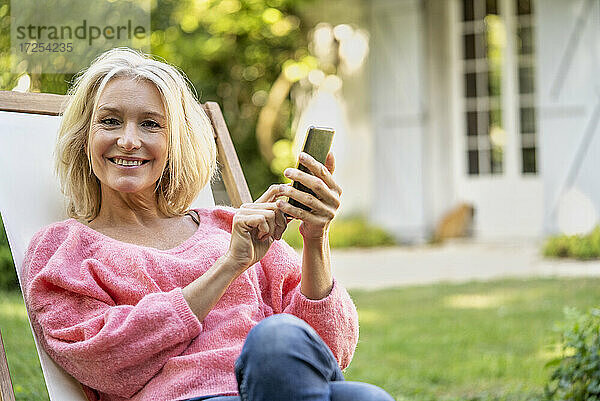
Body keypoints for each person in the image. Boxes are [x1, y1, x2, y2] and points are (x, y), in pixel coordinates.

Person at [21, 48, 395, 401]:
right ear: (85, 136)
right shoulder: (63, 250)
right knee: (279, 342)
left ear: (176, 143)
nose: (129, 140)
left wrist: (315, 238)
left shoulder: (234, 227)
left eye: (151, 124)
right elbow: (103, 361)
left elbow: (328, 349)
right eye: (110, 121)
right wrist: (228, 266)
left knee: (364, 395)